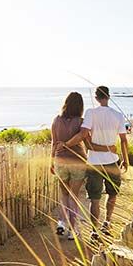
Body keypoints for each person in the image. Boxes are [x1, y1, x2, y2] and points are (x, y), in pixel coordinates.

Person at [64, 86, 129, 237]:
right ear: (109, 96)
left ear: (96, 98)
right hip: (112, 161)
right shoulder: (118, 115)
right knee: (112, 194)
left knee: (95, 199)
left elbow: (83, 134)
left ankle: (95, 231)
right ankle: (107, 222)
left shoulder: (90, 113)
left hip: (94, 162)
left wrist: (66, 144)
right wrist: (125, 160)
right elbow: (124, 140)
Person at [50, 92, 86, 239]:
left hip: (60, 161)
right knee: (74, 196)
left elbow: (53, 142)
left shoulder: (56, 120)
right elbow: (85, 139)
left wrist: (51, 162)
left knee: (64, 195)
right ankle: (72, 229)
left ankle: (61, 223)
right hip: (77, 161)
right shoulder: (81, 121)